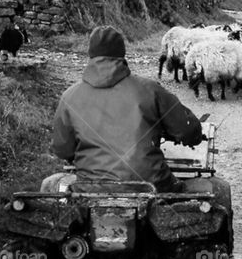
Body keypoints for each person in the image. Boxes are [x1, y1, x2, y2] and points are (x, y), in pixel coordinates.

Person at [45, 25, 203, 192]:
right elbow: (188, 130)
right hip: (152, 186)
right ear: (122, 53)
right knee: (210, 188)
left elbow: (62, 149)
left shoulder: (70, 96)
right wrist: (190, 135)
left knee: (49, 185)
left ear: (90, 54)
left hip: (90, 189)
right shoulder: (150, 90)